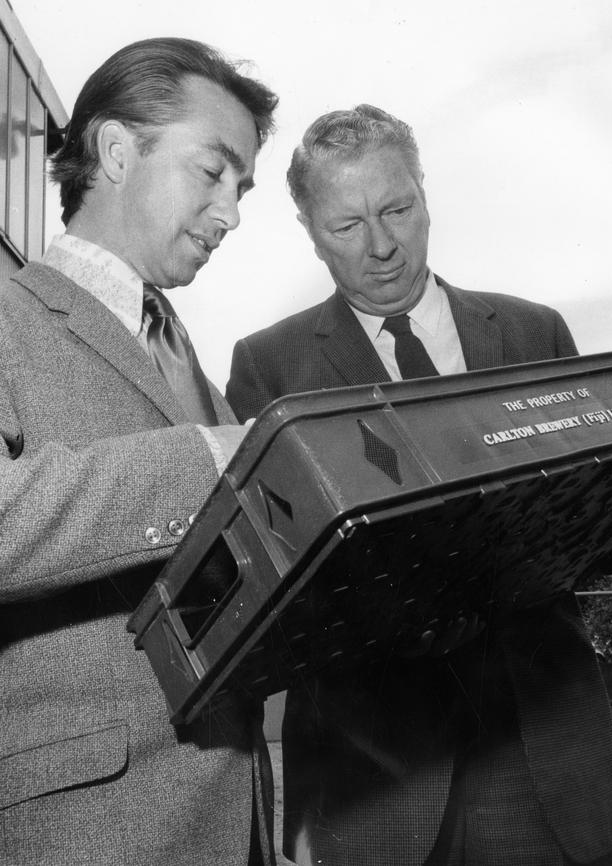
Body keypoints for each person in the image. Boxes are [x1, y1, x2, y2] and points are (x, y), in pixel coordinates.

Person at [226, 106, 612, 866]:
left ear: (425, 195)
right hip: (375, 784)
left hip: (544, 762)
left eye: (397, 210)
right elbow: (270, 578)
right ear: (308, 230)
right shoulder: (268, 368)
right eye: (346, 226)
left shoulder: (534, 333)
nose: (381, 247)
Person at [0, 38, 278, 866]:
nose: (230, 213)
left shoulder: (187, 354)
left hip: (237, 823)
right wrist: (207, 460)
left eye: (243, 189)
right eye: (212, 172)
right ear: (117, 151)